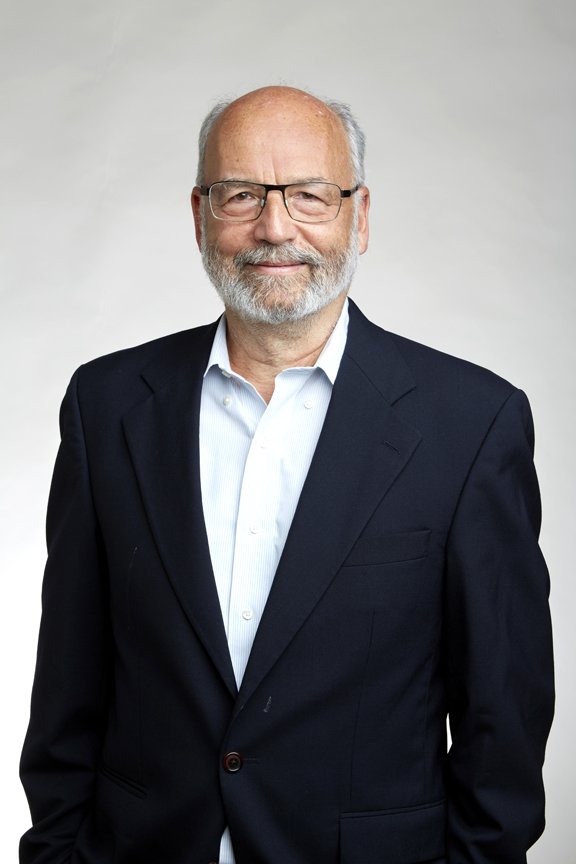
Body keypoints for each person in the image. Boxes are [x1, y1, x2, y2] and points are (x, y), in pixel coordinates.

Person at [20, 86, 554, 864]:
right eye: (242, 195)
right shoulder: (106, 407)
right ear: (200, 215)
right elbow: (68, 688)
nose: (275, 227)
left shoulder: (471, 425)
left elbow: (502, 724)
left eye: (310, 195)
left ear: (359, 215)